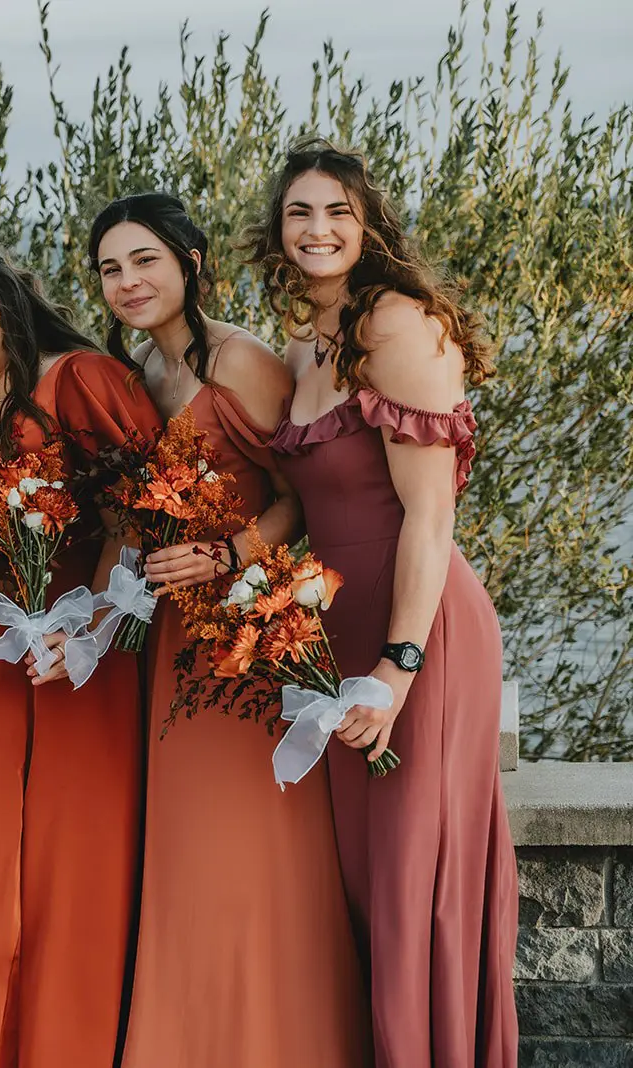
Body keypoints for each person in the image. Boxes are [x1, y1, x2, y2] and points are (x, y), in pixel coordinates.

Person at [252, 137, 518, 1067]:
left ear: (368, 225)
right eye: (299, 212)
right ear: (277, 229)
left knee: (414, 882)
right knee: (365, 882)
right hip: (335, 629)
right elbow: (302, 503)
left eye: (336, 211)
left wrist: (397, 670)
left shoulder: (397, 324)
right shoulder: (304, 339)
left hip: (419, 627)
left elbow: (430, 517)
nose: (316, 229)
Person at [90, 191, 370, 1067]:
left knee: (254, 853)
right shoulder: (135, 376)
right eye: (110, 269)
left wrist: (228, 552)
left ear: (189, 263)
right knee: (185, 862)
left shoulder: (242, 364)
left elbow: (306, 497)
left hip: (251, 643)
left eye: (145, 261)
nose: (129, 281)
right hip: (170, 650)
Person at [0, 247, 161, 1067]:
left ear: (6, 295)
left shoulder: (82, 376)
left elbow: (140, 511)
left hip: (81, 653)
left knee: (69, 873)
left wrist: (87, 628)